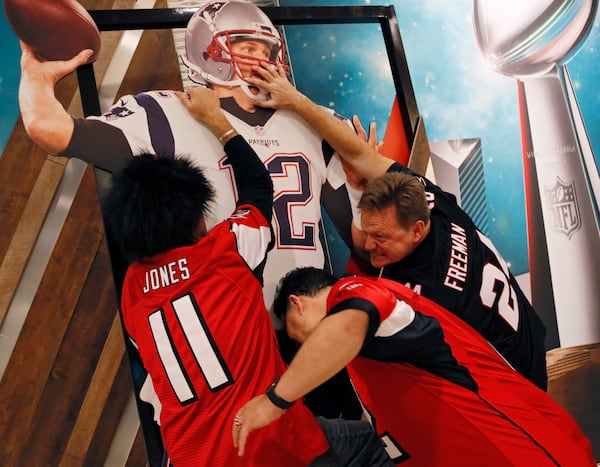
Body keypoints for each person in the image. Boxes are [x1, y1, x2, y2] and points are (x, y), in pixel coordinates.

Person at [18, 0, 363, 421]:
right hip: (221, 336)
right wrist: (35, 78)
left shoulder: (318, 121)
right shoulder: (163, 114)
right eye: (245, 46)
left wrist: (367, 186)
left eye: (266, 48)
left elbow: (362, 240)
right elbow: (50, 130)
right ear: (208, 53)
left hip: (310, 330)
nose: (260, 59)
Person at [101, 87, 392, 467]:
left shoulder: (132, 290)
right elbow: (259, 184)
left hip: (191, 455)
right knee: (374, 442)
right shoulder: (224, 252)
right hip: (269, 446)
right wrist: (220, 125)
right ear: (193, 219)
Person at [245, 63, 548, 390]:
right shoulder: (431, 199)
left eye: (380, 237)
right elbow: (360, 155)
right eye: (369, 230)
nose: (369, 245)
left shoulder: (424, 297)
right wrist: (294, 99)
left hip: (513, 388)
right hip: (528, 336)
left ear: (417, 230)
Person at [232, 266, 595, 466]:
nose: (303, 347)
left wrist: (274, 401)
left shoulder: (354, 292)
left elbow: (351, 321)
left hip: (515, 453)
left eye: (296, 337)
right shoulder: (358, 356)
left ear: (297, 304)